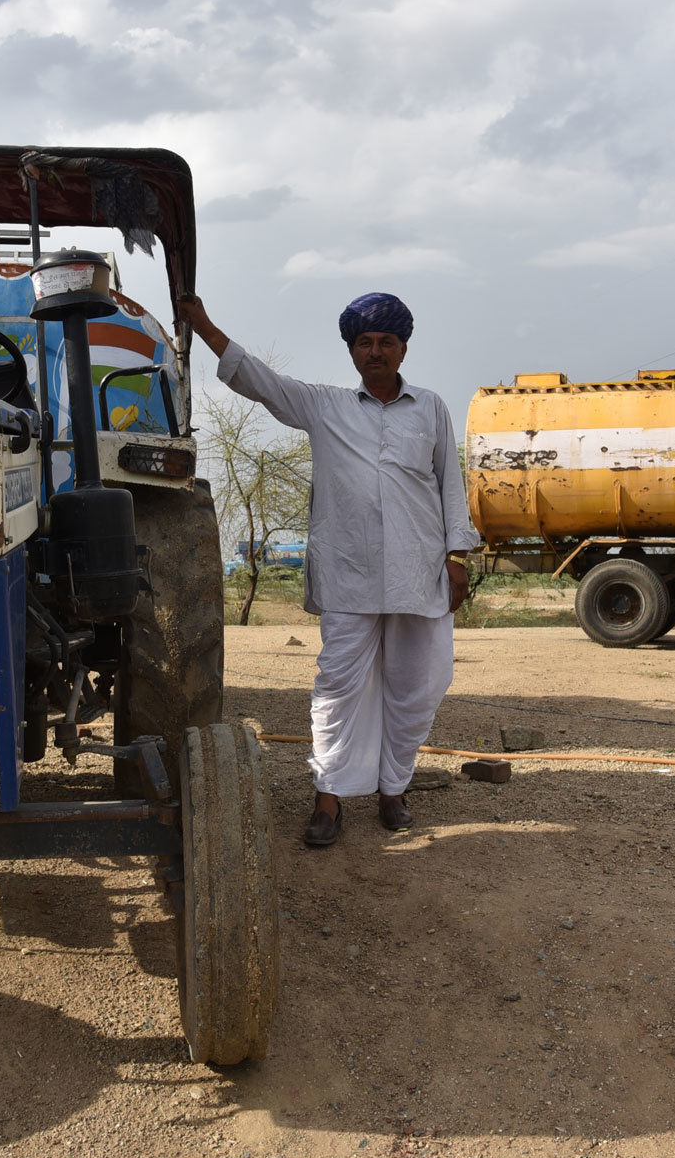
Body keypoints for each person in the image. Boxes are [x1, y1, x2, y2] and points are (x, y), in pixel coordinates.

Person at [175, 290, 478, 847]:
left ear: (404, 348)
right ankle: (329, 799)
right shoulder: (325, 406)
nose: (376, 351)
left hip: (419, 571)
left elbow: (449, 488)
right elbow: (260, 382)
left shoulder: (432, 408)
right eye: (364, 342)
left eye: (386, 341)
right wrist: (203, 325)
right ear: (351, 351)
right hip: (349, 573)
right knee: (338, 687)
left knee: (419, 684)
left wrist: (458, 556)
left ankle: (393, 789)